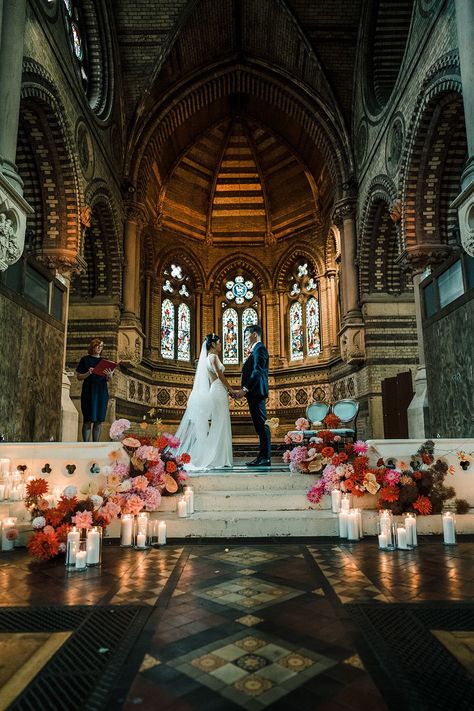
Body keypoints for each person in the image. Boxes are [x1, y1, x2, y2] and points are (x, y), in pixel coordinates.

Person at [176, 333, 236, 470]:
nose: (221, 345)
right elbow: (219, 375)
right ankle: (216, 457)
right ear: (213, 344)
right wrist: (232, 390)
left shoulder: (207, 358)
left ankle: (220, 456)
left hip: (216, 390)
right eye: (219, 342)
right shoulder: (213, 357)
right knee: (220, 424)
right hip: (218, 391)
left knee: (219, 423)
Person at [234, 324, 271, 467]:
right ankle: (262, 457)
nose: (245, 338)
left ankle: (265, 458)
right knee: (259, 426)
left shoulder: (259, 349)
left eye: (246, 334)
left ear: (254, 334)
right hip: (254, 392)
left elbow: (257, 371)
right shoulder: (255, 349)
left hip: (256, 392)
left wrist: (245, 389)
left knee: (262, 425)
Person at [76, 338, 115, 442]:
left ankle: (96, 445)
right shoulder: (85, 359)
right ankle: (86, 445)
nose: (99, 348)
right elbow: (79, 377)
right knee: (87, 419)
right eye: (97, 346)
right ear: (92, 347)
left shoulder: (105, 362)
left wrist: (109, 375)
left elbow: (109, 380)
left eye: (101, 346)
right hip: (89, 391)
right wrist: (88, 373)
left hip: (101, 392)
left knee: (98, 420)